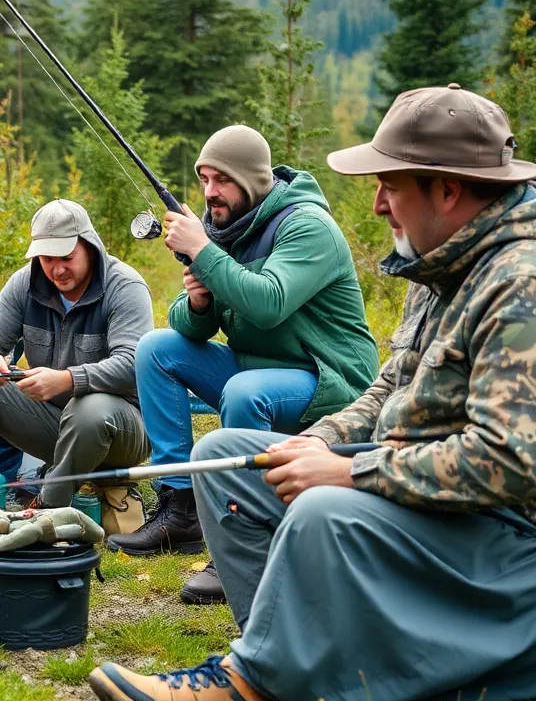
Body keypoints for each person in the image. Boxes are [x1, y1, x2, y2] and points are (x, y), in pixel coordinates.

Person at [87, 84, 536, 701]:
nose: (376, 205)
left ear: (447, 190)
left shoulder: (533, 285)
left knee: (323, 508)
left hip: (527, 547)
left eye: (389, 187)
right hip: (445, 511)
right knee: (231, 460)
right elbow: (388, 389)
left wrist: (349, 472)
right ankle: (282, 659)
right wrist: (320, 442)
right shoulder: (444, 267)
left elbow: (510, 464)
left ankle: (251, 686)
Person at [107, 125, 378, 605]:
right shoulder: (226, 227)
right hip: (259, 370)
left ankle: (241, 535)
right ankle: (181, 510)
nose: (210, 192)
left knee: (246, 392)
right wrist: (200, 300)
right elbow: (188, 326)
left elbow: (269, 301)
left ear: (251, 180)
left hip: (328, 380)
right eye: (204, 179)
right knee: (156, 348)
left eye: (221, 180)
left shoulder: (307, 226)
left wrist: (206, 252)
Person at [0, 200, 153, 512]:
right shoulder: (25, 284)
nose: (57, 269)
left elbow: (132, 364)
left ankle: (47, 505)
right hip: (55, 424)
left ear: (90, 247)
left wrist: (68, 380)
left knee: (91, 408)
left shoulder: (125, 287)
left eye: (67, 257)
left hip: (123, 430)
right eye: (46, 258)